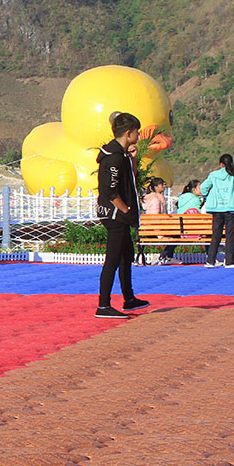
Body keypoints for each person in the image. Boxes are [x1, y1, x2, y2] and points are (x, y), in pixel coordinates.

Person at [95, 111, 149, 319]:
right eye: (137, 132)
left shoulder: (123, 156)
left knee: (126, 256)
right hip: (115, 214)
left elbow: (132, 177)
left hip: (121, 214)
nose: (139, 136)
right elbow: (111, 190)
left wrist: (134, 160)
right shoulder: (113, 158)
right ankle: (103, 305)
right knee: (113, 259)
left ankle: (129, 298)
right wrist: (125, 209)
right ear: (129, 133)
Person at [200, 153, 234, 268]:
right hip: (230, 208)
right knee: (230, 234)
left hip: (216, 208)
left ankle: (210, 260)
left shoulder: (213, 175)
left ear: (221, 164)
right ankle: (229, 261)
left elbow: (203, 187)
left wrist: (207, 196)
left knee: (216, 234)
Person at [137, 177, 166, 265]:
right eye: (162, 184)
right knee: (177, 236)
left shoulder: (155, 199)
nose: (164, 186)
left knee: (176, 235)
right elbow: (155, 219)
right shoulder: (155, 200)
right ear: (156, 187)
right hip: (154, 230)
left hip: (150, 229)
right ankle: (164, 255)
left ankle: (166, 256)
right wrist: (160, 235)